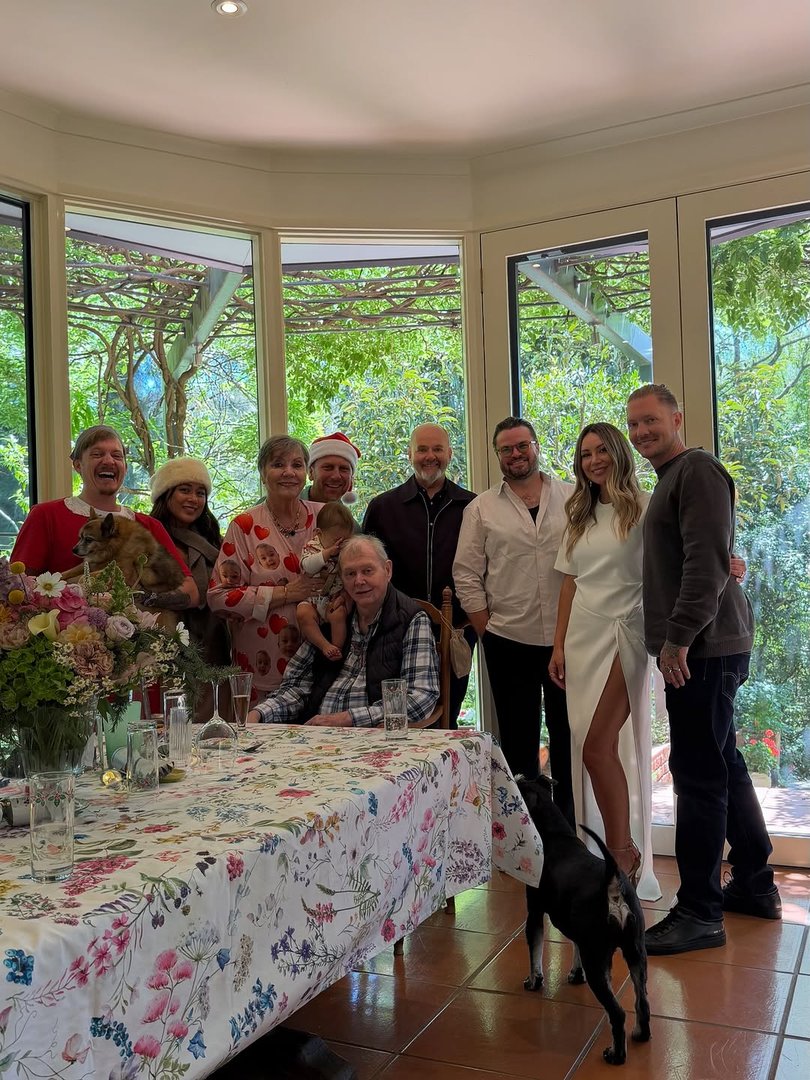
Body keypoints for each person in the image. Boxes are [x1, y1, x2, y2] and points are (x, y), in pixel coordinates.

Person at [626, 383, 780, 956]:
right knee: (723, 763)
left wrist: (677, 640)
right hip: (706, 645)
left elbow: (707, 562)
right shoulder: (673, 479)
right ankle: (756, 884)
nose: (642, 432)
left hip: (703, 648)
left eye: (651, 421)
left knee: (696, 777)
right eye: (634, 424)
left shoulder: (697, 472)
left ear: (676, 417)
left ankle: (698, 911)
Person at [549, 423, 662, 900]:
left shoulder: (646, 506)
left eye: (601, 451)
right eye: (585, 454)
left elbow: (674, 562)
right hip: (583, 637)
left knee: (598, 746)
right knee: (587, 747)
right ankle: (610, 849)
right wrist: (558, 646)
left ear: (618, 453)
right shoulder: (579, 514)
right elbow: (570, 584)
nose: (593, 460)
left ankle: (622, 853)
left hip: (628, 633)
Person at [454, 417, 575, 825]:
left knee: (569, 740)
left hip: (570, 639)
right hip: (508, 641)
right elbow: (466, 574)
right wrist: (487, 629)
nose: (515, 454)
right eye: (506, 449)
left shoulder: (574, 498)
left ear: (537, 447)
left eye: (522, 445)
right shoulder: (482, 509)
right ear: (497, 455)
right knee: (520, 746)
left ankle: (572, 828)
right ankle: (529, 837)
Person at [247, 536, 439, 727]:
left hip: (373, 740)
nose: (359, 581)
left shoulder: (411, 619)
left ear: (387, 570)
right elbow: (297, 686)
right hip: (316, 737)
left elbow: (421, 697)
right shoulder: (330, 615)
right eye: (350, 574)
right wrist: (260, 713)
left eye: (367, 571)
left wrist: (349, 719)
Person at [363, 422, 477, 727]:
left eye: (437, 449)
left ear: (450, 454)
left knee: (448, 719)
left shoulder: (472, 506)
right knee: (397, 721)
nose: (430, 456)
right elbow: (367, 572)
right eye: (422, 449)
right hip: (395, 633)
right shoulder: (383, 507)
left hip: (456, 632)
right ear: (410, 454)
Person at [12, 425, 197, 607]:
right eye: (97, 454)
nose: (109, 461)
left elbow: (191, 592)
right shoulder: (46, 516)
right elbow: (18, 587)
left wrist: (143, 598)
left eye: (117, 456)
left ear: (125, 467)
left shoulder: (148, 525)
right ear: (77, 465)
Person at [208, 436, 322, 696]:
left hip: (322, 665)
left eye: (297, 465)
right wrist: (287, 593)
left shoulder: (324, 516)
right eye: (278, 464)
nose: (288, 472)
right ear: (262, 473)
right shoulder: (244, 525)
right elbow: (220, 597)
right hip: (262, 669)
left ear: (307, 473)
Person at [149, 457, 232, 722]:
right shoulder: (149, 538)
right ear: (166, 494)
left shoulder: (213, 538)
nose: (193, 499)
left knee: (215, 725)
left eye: (200, 493)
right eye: (184, 490)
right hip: (170, 645)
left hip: (214, 642)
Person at [297, 500, 355, 659]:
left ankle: (336, 649)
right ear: (318, 534)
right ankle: (324, 645)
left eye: (344, 541)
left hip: (333, 600)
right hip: (312, 600)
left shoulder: (345, 551)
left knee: (339, 615)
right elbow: (307, 566)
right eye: (335, 541)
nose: (339, 546)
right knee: (303, 613)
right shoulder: (312, 547)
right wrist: (327, 553)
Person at [304, 432, 361, 505]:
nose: (336, 476)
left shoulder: (344, 515)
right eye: (328, 467)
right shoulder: (287, 507)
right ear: (311, 472)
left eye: (343, 469)